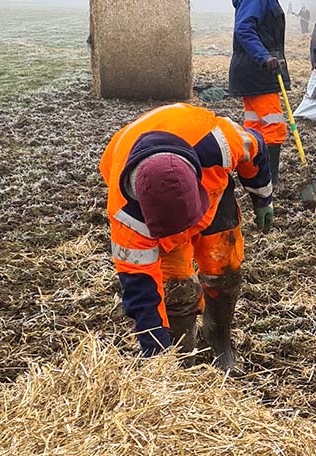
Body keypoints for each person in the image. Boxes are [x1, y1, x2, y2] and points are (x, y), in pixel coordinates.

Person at [99, 103, 274, 374]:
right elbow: (140, 290)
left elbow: (256, 148)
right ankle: (183, 356)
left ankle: (219, 340)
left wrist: (262, 196)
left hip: (210, 194)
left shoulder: (218, 140)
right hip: (162, 221)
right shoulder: (127, 219)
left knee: (223, 267)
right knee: (175, 286)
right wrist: (156, 357)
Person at [229, 0, 299, 189]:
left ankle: (252, 176)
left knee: (255, 125)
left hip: (254, 70)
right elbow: (244, 28)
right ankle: (268, 182)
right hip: (259, 70)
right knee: (274, 126)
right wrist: (264, 57)